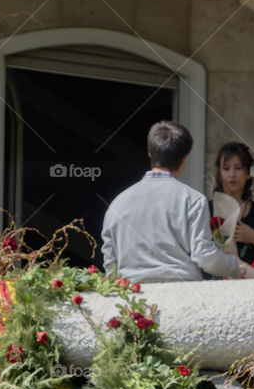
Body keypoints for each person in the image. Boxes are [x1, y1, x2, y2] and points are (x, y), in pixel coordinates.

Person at [101, 121, 239, 283]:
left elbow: (111, 267)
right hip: (182, 295)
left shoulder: (118, 203)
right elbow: (204, 257)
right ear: (184, 158)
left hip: (132, 300)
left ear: (150, 154)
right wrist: (234, 265)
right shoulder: (193, 200)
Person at [209, 142, 254, 264]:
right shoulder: (205, 209)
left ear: (248, 173)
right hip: (212, 282)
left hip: (252, 282)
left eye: (238, 168)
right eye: (226, 169)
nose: (232, 174)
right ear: (219, 173)